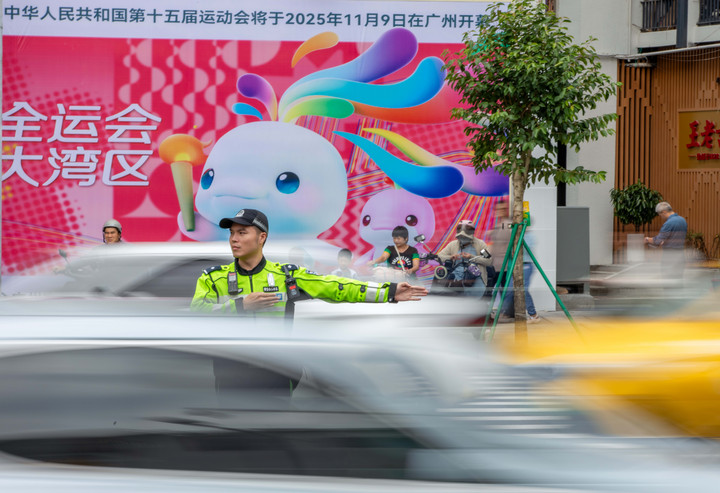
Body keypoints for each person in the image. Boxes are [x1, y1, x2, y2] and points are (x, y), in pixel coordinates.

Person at [191, 209, 427, 318]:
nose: (234, 239)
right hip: (230, 376)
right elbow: (197, 315)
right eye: (232, 233)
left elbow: (336, 286)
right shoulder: (213, 278)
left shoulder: (287, 276)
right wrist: (240, 306)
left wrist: (390, 292)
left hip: (276, 375)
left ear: (261, 237)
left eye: (242, 233)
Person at [437, 220, 492, 294]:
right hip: (456, 280)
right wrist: (450, 257)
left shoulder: (480, 244)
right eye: (460, 237)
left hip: (475, 279)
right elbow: (439, 257)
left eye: (465, 237)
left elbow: (488, 261)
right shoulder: (453, 244)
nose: (463, 238)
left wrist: (471, 257)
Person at [498, 227, 540, 323]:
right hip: (516, 265)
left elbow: (525, 250)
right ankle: (503, 313)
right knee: (509, 289)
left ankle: (533, 315)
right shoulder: (514, 235)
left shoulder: (529, 236)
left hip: (526, 264)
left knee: (523, 290)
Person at [644, 201, 687, 277]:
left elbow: (658, 241)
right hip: (680, 256)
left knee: (668, 279)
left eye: (660, 214)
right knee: (678, 280)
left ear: (664, 212)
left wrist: (647, 239)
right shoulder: (683, 220)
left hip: (669, 257)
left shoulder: (669, 223)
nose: (660, 217)